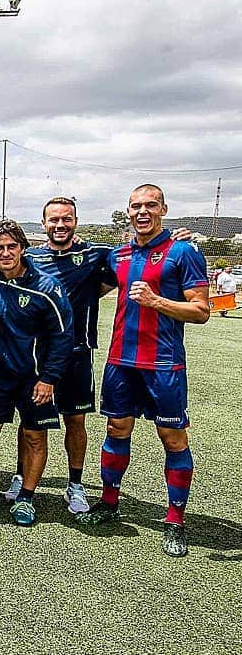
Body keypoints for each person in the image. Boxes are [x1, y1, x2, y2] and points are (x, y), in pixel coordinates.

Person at [77, 184, 210, 558]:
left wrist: (156, 301)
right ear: (127, 211)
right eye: (136, 206)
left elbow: (201, 311)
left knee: (172, 438)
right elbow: (88, 288)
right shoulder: (118, 254)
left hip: (164, 364)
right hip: (121, 361)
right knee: (116, 428)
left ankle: (174, 520)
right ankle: (109, 502)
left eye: (150, 205)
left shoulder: (182, 252)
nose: (142, 212)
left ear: (164, 209)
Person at [0, 221, 73, 527]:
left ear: (23, 248)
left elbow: (63, 337)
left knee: (35, 438)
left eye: (12, 246)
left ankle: (26, 497)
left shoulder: (47, 287)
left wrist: (49, 377)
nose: (6, 252)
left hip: (35, 378)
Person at [23, 197, 117, 514]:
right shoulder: (31, 257)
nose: (60, 225)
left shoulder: (96, 255)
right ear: (43, 223)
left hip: (77, 354)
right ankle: (23, 479)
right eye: (53, 220)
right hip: (37, 355)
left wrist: (177, 241)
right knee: (31, 423)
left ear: (76, 221)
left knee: (75, 420)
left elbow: (133, 262)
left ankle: (75, 485)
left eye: (66, 219)